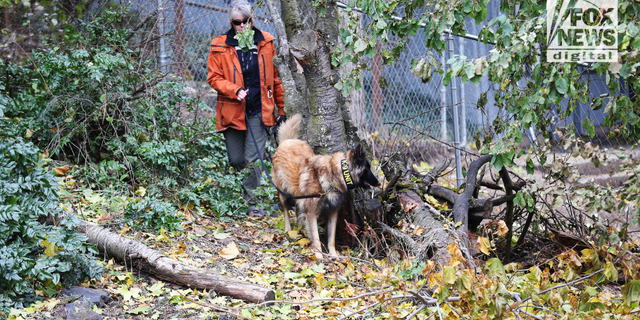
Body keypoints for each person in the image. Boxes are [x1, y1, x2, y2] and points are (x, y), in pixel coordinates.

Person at [207, 0, 286, 217]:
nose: (241, 25)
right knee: (235, 159)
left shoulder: (266, 42)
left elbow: (276, 79)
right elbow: (213, 77)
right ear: (231, 22)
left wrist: (282, 109)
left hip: (259, 110)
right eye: (237, 22)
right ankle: (245, 193)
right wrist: (234, 89)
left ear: (252, 20)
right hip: (233, 109)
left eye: (245, 21)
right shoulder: (220, 45)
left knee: (253, 159)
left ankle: (252, 205)